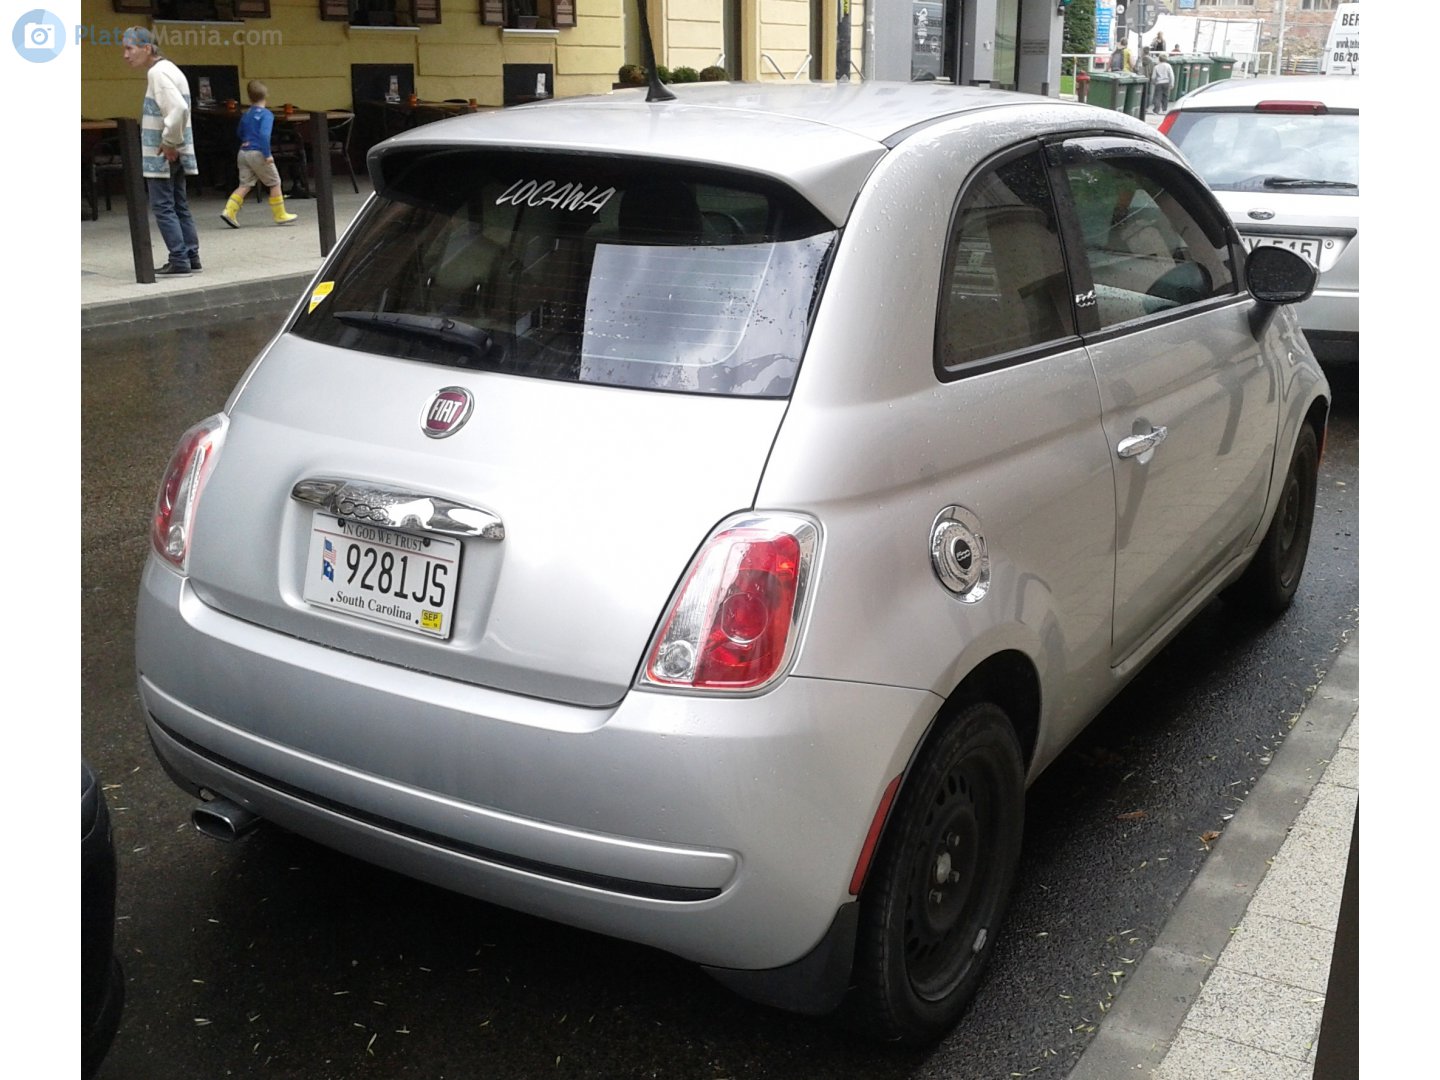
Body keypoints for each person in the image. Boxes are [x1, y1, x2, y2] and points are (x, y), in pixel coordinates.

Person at [121, 27, 200, 276]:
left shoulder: (157, 73)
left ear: (147, 48)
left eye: (129, 48)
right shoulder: (170, 69)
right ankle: (191, 255)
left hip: (163, 154)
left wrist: (168, 142)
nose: (125, 55)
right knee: (179, 205)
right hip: (177, 151)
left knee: (164, 206)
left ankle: (179, 259)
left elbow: (177, 109)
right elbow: (181, 108)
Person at [220, 80, 298, 228]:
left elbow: (239, 132)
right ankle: (280, 214)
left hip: (243, 152)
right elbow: (264, 135)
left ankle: (229, 211)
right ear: (266, 95)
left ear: (249, 97)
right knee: (275, 182)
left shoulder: (246, 114)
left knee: (245, 184)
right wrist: (267, 154)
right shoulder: (267, 115)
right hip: (258, 153)